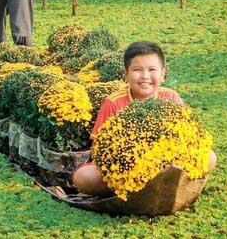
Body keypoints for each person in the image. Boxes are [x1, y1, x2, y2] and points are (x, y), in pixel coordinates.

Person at [72, 41, 217, 195]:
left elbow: (189, 136)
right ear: (126, 74)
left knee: (209, 157)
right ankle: (136, 188)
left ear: (163, 74)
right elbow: (98, 147)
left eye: (152, 69)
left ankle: (151, 188)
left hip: (166, 163)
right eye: (137, 70)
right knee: (83, 177)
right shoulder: (113, 102)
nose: (145, 76)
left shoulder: (170, 97)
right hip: (125, 168)